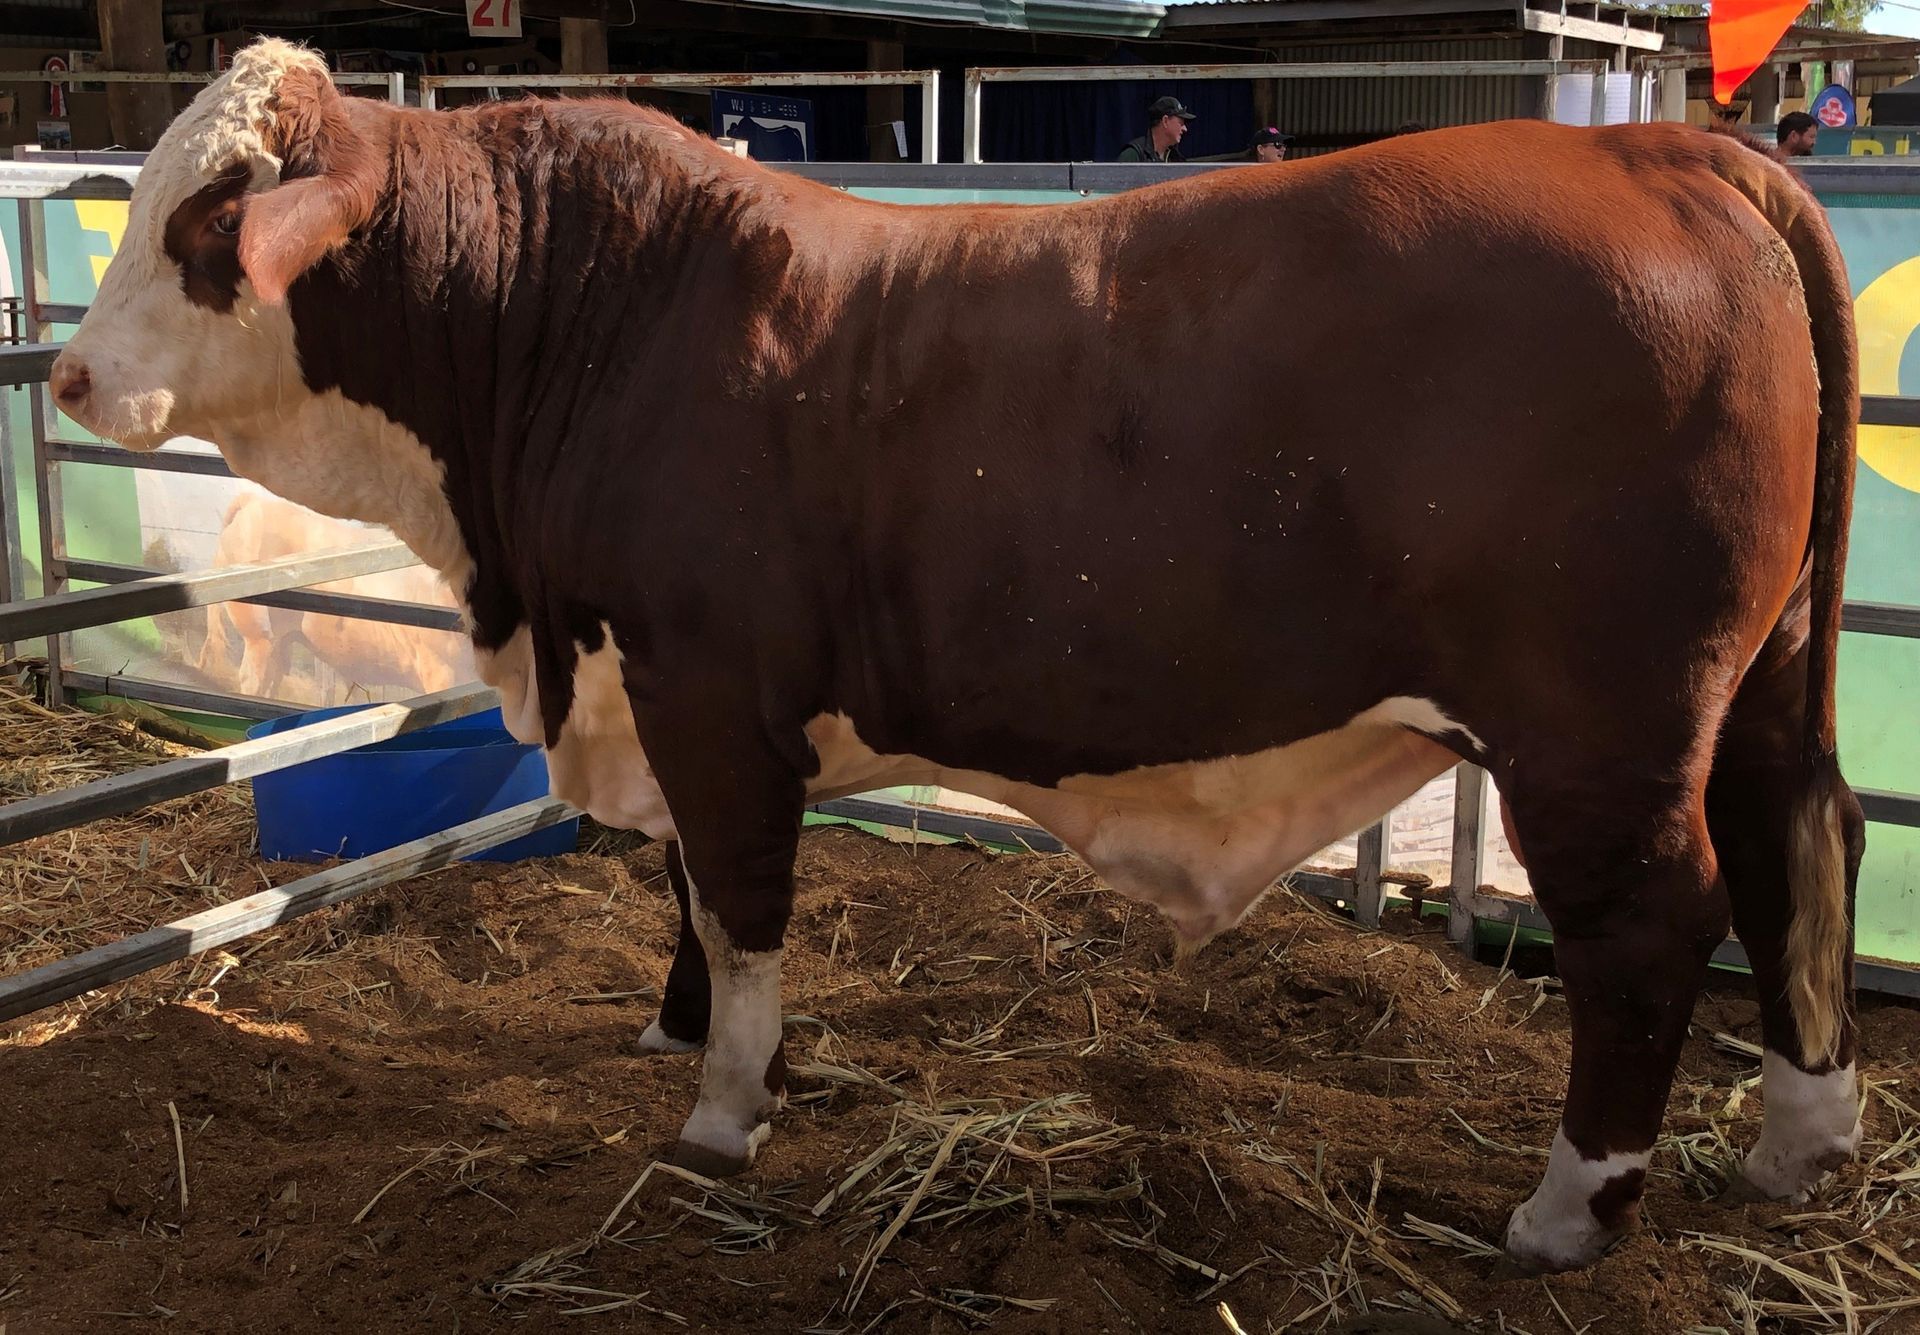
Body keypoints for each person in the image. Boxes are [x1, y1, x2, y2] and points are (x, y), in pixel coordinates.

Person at [1118, 95, 1195, 163]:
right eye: (1180, 123)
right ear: (1165, 121)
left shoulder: (1176, 159)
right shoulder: (1133, 155)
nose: (1185, 129)